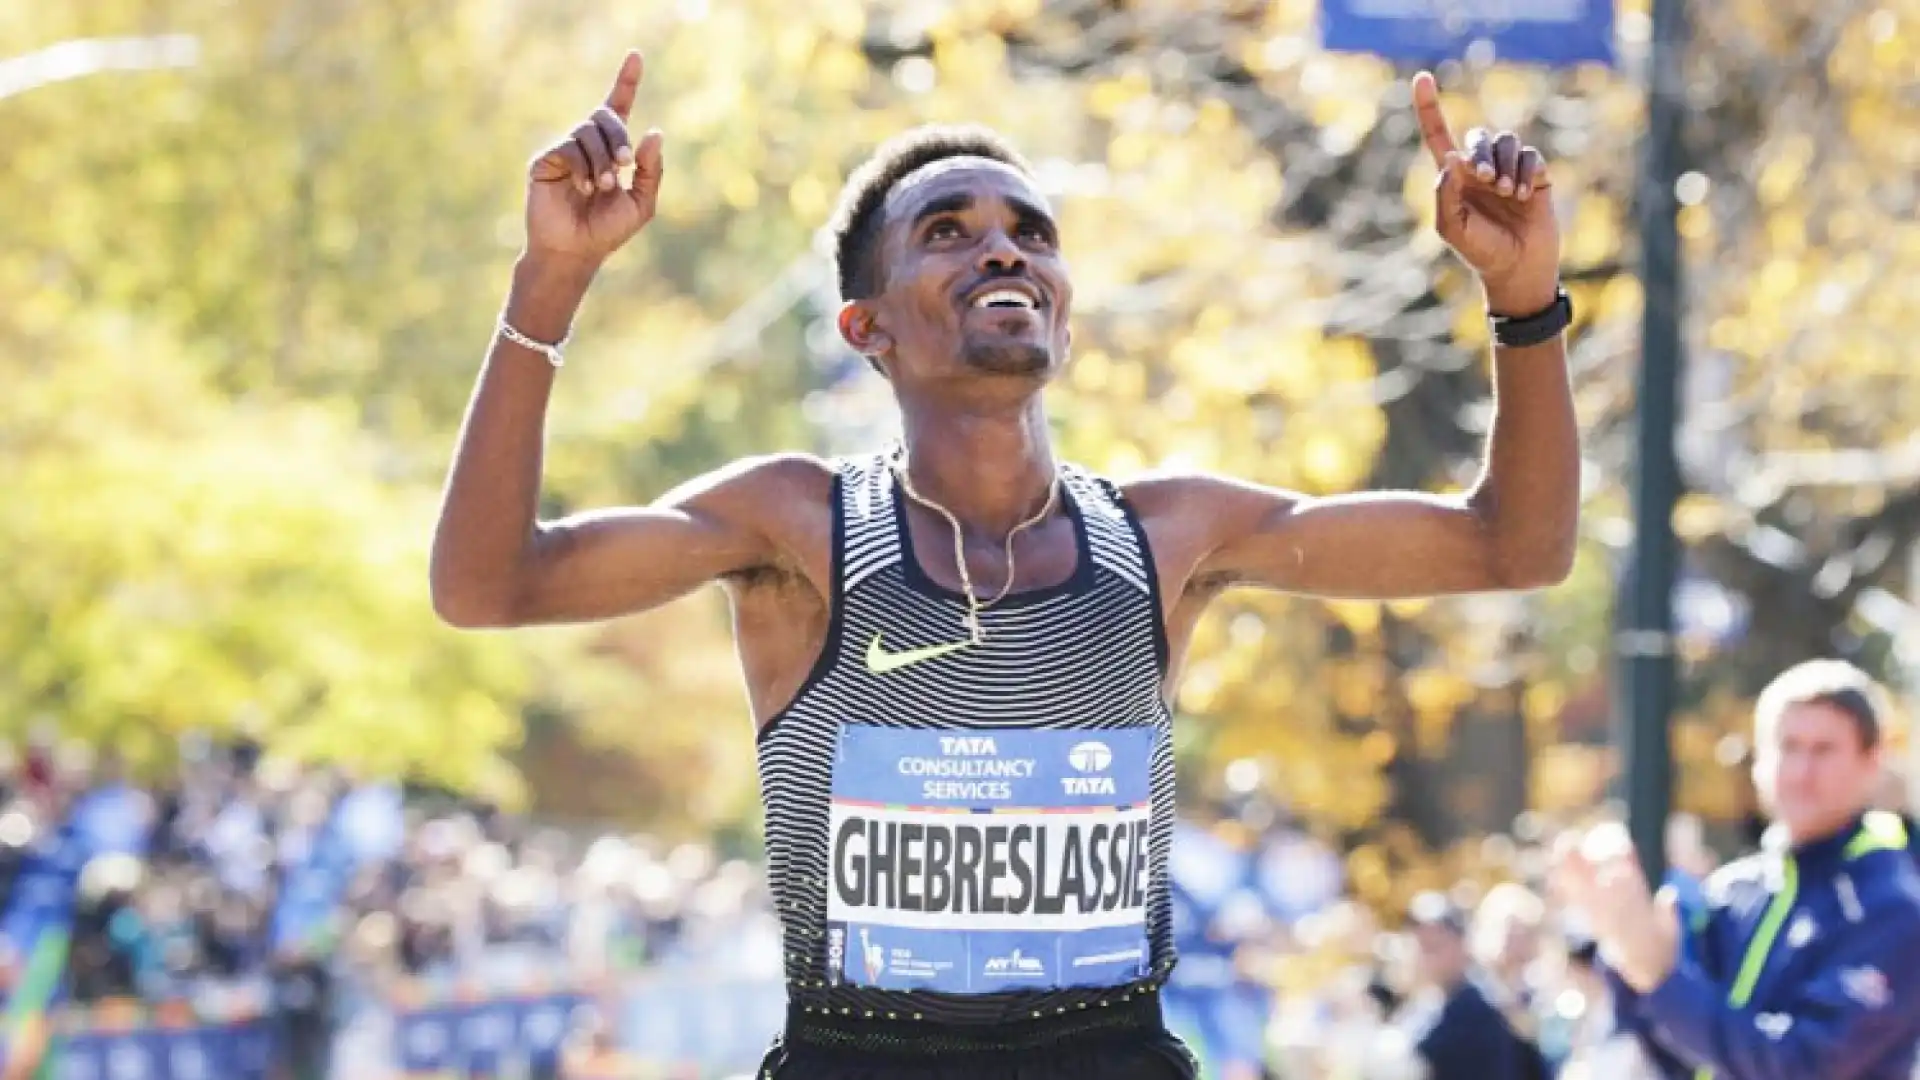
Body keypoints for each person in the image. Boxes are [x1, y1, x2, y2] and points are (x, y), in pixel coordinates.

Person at [432, 49, 1577, 1079]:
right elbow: (487, 587)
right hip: (859, 1056)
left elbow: (1514, 547)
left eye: (1032, 232)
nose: (1002, 247)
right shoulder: (796, 529)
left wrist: (1523, 305)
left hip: (1109, 1053)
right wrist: (551, 283)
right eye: (947, 232)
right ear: (865, 328)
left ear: (1066, 319)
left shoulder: (1171, 537)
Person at [1555, 660, 1920, 1080]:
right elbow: (1679, 1050)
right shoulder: (1735, 888)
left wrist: (1657, 978)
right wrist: (1623, 948)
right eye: (1788, 747)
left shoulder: (1887, 906)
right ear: (1758, 761)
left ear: (1871, 762)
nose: (1801, 772)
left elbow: (1805, 1067)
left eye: (1824, 750)